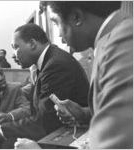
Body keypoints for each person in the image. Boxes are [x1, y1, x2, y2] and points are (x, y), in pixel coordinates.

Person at [17, 1, 133, 149]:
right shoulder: (110, 40)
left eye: (57, 23)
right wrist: (83, 114)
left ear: (76, 18)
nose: (58, 33)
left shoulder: (122, 45)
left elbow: (117, 143)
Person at [0, 23, 90, 148]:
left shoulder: (55, 65)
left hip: (74, 133)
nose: (14, 54)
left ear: (32, 44)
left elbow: (46, 120)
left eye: (16, 47)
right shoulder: (47, 62)